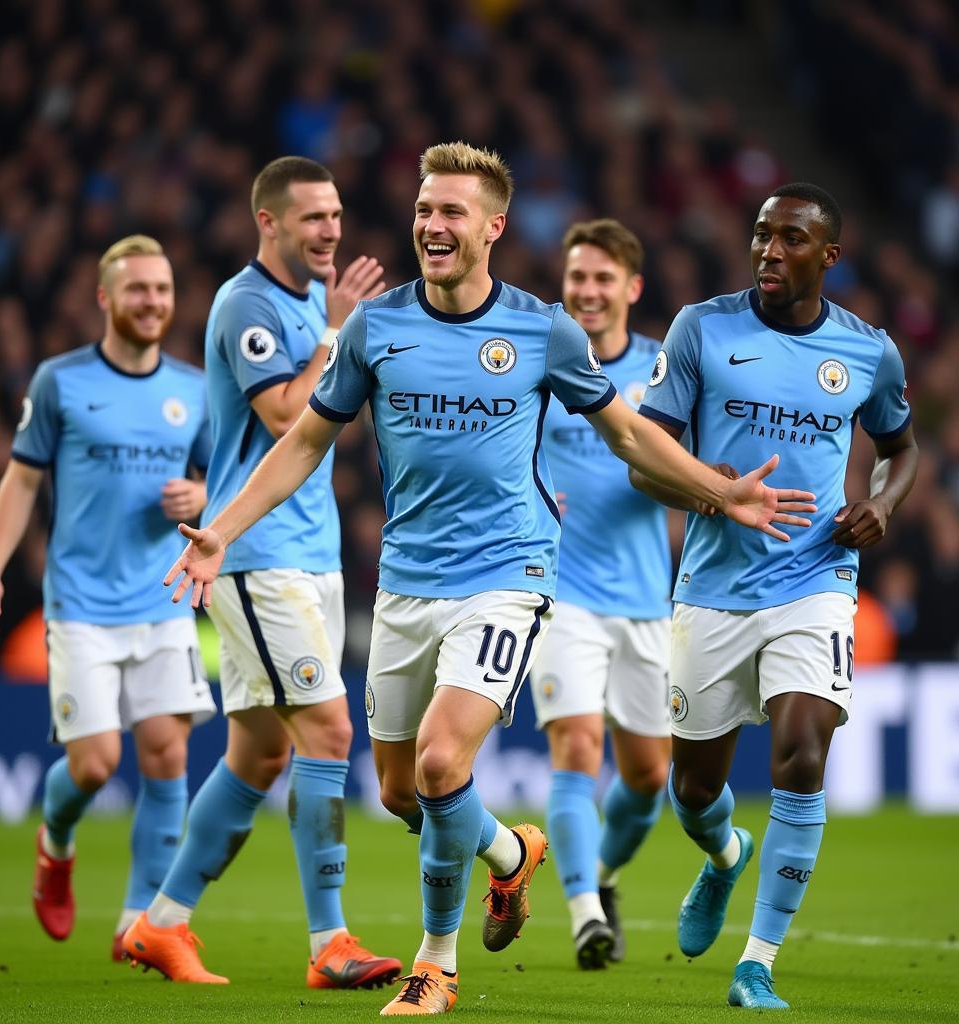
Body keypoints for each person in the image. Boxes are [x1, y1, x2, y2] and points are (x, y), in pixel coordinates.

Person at [161, 142, 817, 1016]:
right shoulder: (375, 326)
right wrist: (223, 532)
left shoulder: (541, 329)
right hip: (405, 584)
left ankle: (439, 966)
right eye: (425, 209)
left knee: (439, 764)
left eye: (453, 213)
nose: (433, 225)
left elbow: (627, 433)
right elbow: (307, 440)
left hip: (510, 575)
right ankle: (511, 855)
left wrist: (717, 490)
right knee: (399, 791)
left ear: (494, 228)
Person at [634, 183, 918, 1009]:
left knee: (801, 750)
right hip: (714, 590)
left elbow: (901, 452)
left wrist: (882, 505)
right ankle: (724, 855)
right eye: (761, 235)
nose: (768, 250)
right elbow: (642, 460)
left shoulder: (868, 352)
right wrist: (707, 492)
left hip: (815, 580)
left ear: (829, 256)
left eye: (790, 238)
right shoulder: (701, 330)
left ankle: (756, 962)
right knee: (691, 790)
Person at [123, 156, 401, 990]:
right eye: (314, 218)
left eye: (337, 215)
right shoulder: (249, 303)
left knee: (255, 756)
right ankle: (330, 941)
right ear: (268, 223)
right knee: (330, 734)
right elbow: (288, 413)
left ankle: (160, 926)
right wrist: (335, 330)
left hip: (309, 553)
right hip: (258, 557)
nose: (331, 231)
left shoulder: (316, 300)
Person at [0, 235, 217, 960]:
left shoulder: (191, 390)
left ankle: (138, 923)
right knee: (97, 763)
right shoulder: (60, 382)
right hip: (80, 606)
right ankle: (57, 838)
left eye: (162, 290)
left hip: (164, 599)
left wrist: (201, 494)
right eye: (137, 290)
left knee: (167, 753)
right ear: (105, 298)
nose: (152, 302)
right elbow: (20, 480)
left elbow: (221, 479)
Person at [530, 219, 676, 968]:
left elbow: (685, 463)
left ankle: (606, 878)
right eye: (577, 277)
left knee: (650, 776)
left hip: (647, 599)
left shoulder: (663, 370)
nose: (587, 291)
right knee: (577, 747)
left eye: (602, 279)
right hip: (561, 594)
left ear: (631, 288)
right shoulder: (540, 361)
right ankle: (585, 910)